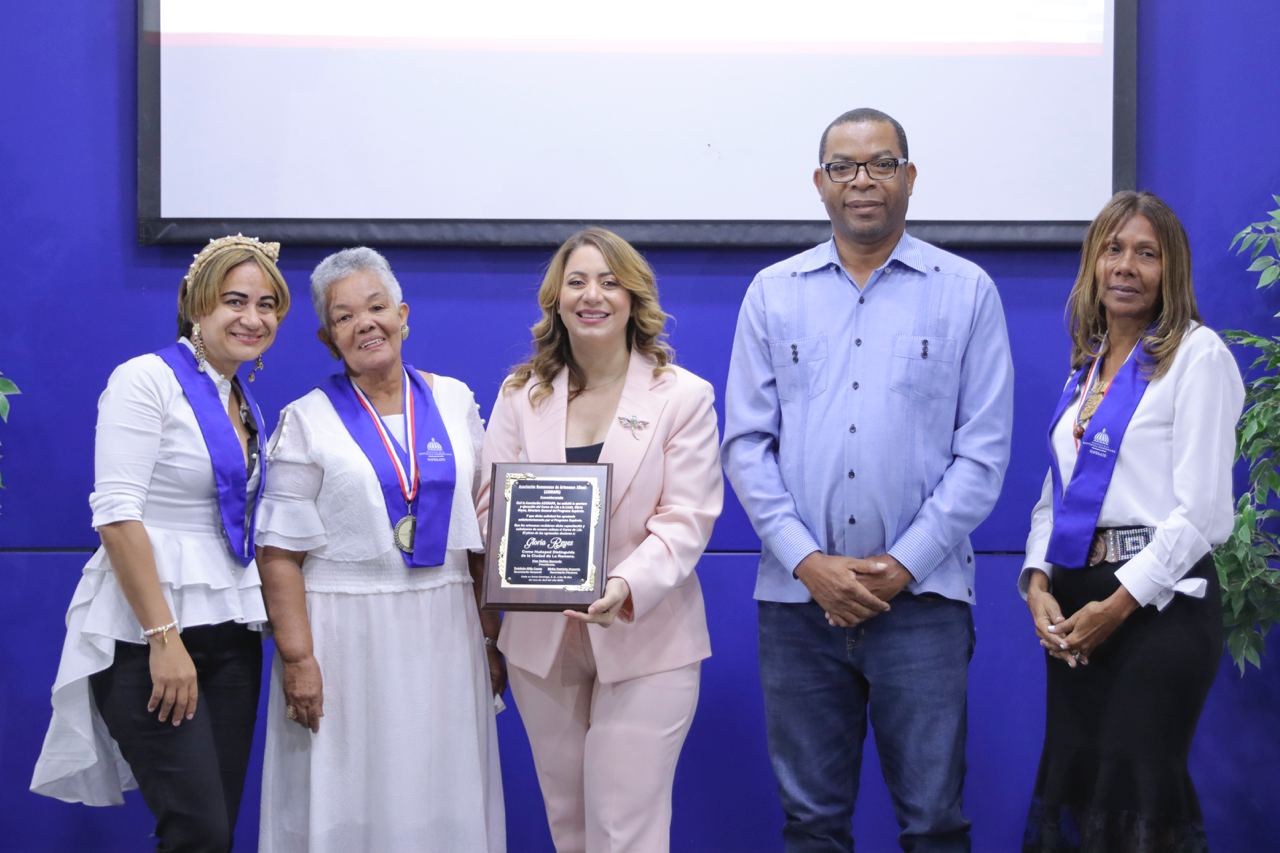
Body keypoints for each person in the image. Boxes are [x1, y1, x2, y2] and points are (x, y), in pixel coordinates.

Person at [722, 108, 1014, 852]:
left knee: (934, 822)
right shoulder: (772, 292)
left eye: (881, 164)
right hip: (798, 606)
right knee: (812, 825)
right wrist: (811, 563)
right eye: (845, 167)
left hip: (921, 605)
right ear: (820, 183)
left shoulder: (967, 290)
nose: (863, 181)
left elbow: (982, 454)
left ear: (909, 179)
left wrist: (901, 564)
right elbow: (747, 447)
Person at [31, 235, 291, 851]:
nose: (252, 318)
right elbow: (117, 516)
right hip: (146, 636)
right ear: (197, 304)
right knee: (196, 829)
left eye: (267, 304)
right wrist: (164, 638)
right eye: (234, 300)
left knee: (215, 830)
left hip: (231, 634)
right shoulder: (145, 379)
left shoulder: (242, 399)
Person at [477, 227, 723, 853]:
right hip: (541, 643)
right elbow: (489, 506)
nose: (593, 295)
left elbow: (687, 517)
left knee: (624, 830)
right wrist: (521, 561)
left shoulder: (683, 397)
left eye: (610, 282)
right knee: (571, 826)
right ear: (556, 297)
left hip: (646, 638)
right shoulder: (520, 394)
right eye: (578, 281)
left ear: (634, 297)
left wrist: (622, 584)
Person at [254, 247, 504, 853]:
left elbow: (481, 529)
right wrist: (297, 659)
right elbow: (277, 553)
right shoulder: (305, 421)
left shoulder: (455, 400)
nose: (364, 322)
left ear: (403, 314)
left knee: (439, 787)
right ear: (326, 336)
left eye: (376, 306)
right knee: (348, 794)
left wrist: (493, 638)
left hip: (446, 628)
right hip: (343, 637)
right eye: (344, 316)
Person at [1019, 191, 1244, 852]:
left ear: (1170, 270)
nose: (1127, 266)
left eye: (1147, 253)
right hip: (1077, 608)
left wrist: (1118, 604)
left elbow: (1202, 509)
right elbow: (1053, 494)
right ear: (1092, 263)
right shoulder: (1086, 370)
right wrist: (1037, 581)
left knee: (1137, 791)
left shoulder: (1198, 357)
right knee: (1079, 787)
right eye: (1114, 249)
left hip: (1159, 608)